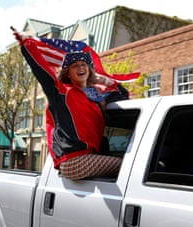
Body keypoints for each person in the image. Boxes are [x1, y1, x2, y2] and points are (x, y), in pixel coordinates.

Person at [13, 32, 129, 180]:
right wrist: (26, 44)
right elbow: (42, 72)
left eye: (84, 65)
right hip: (73, 161)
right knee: (130, 168)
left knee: (129, 167)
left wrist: (105, 81)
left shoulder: (95, 96)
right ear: (68, 73)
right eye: (75, 66)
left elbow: (123, 96)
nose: (81, 68)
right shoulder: (61, 92)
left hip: (89, 157)